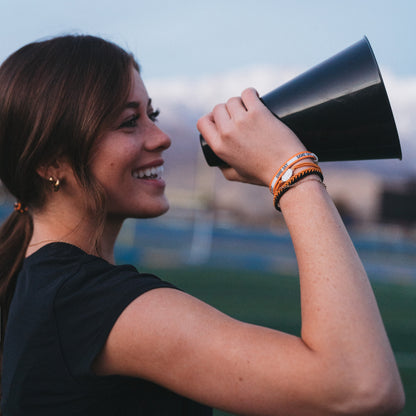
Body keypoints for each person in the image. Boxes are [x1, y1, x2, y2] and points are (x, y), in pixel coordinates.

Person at [0, 34, 405, 416]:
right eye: (129, 122)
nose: (161, 137)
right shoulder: (89, 303)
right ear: (51, 163)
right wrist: (292, 171)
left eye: (152, 114)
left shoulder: (46, 282)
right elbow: (359, 386)